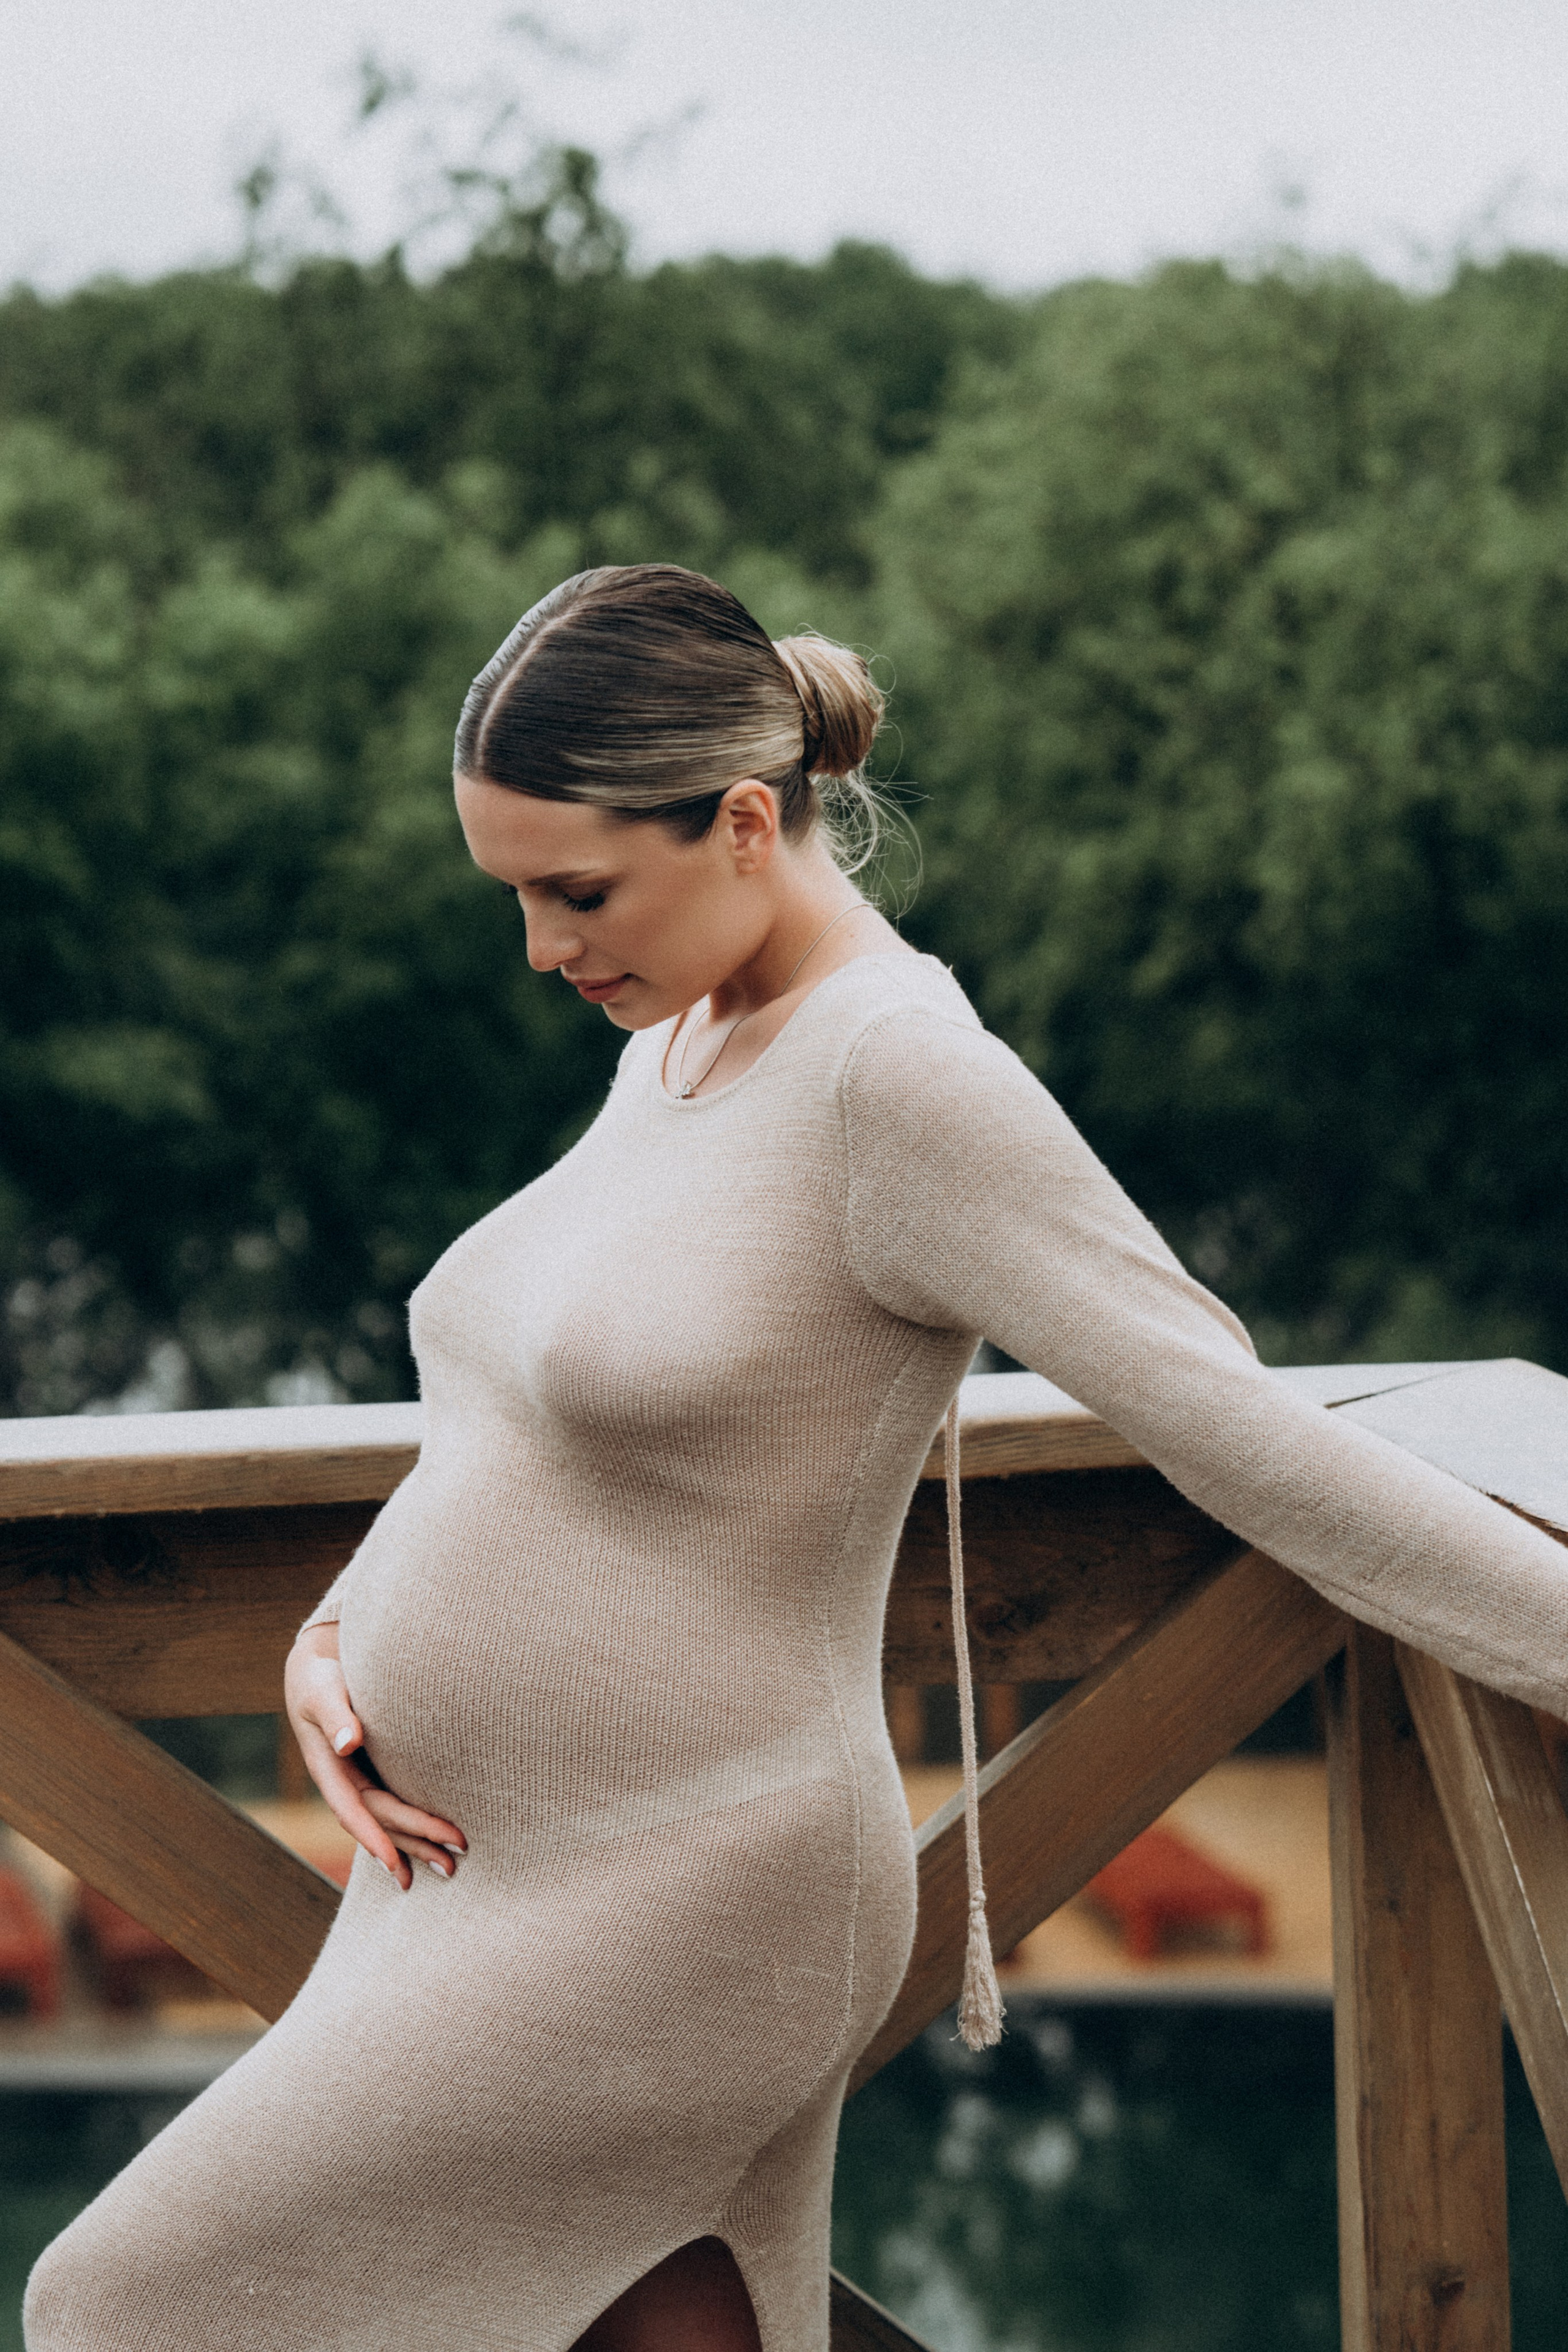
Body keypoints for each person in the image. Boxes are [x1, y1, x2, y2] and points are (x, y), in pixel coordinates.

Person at [25, 563, 1568, 2352]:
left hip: (692, 1886)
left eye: (574, 890)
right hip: (466, 1876)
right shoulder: (676, 1031)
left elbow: (1245, 1438)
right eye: (516, 894)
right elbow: (517, 1402)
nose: (541, 947)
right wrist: (338, 1627)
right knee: (660, 2334)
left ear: (745, 821)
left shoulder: (903, 1083)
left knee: (125, 2302)